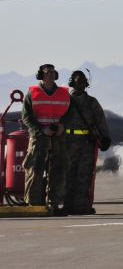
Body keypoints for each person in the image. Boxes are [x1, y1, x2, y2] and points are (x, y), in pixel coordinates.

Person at [21, 63, 71, 215]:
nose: (50, 75)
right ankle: (33, 205)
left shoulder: (64, 93)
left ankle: (54, 204)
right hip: (39, 137)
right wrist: (41, 129)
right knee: (35, 169)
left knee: (58, 170)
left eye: (52, 72)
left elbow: (70, 113)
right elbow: (26, 116)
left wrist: (63, 125)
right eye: (47, 72)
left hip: (58, 137)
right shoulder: (32, 93)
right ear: (41, 75)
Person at [62, 70, 111, 215]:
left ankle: (81, 207)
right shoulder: (64, 101)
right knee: (67, 176)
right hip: (67, 144)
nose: (81, 84)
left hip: (86, 144)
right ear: (72, 83)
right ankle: (66, 206)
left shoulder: (92, 102)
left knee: (84, 176)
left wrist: (105, 137)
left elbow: (101, 120)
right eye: (78, 81)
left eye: (83, 82)